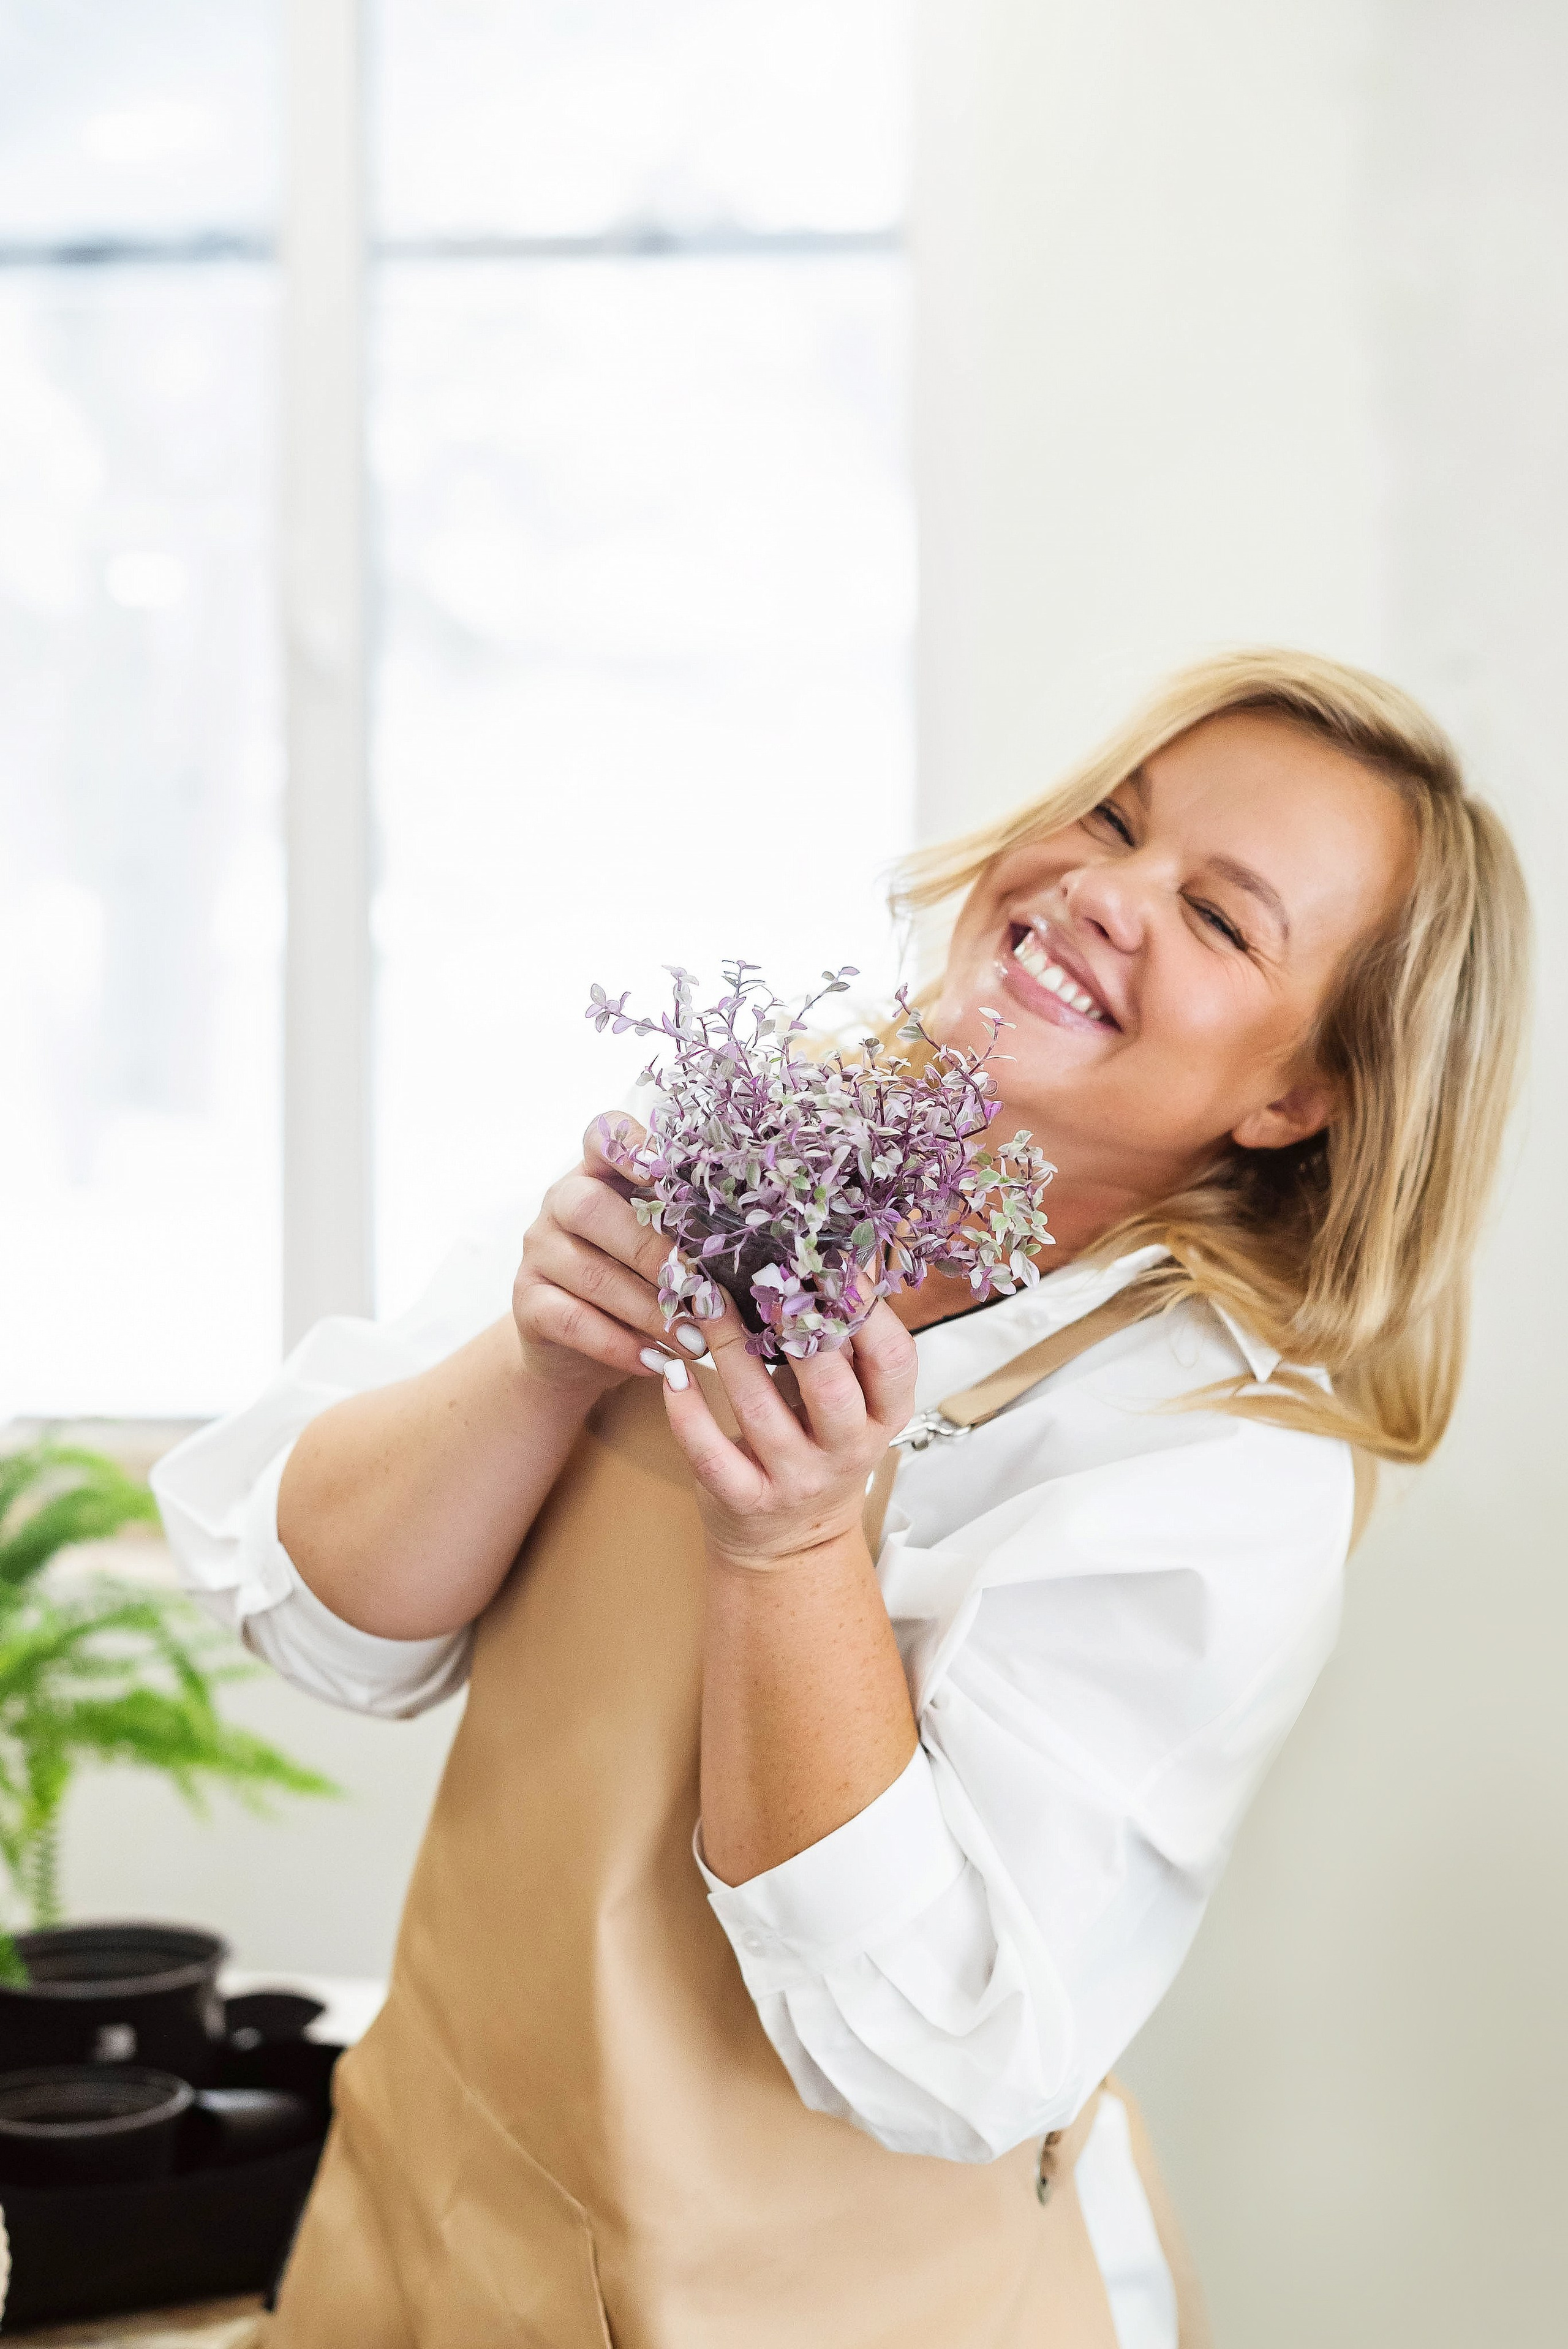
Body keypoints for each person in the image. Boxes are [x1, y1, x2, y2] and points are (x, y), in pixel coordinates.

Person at [156, 649, 1529, 2348]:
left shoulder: (1217, 1450)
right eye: (1113, 818)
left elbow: (929, 2048)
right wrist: (539, 1362)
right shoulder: (751, 1152)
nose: (1103, 892)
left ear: (1297, 1095)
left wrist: (794, 1540)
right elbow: (316, 1619)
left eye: (1224, 917)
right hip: (434, 2232)